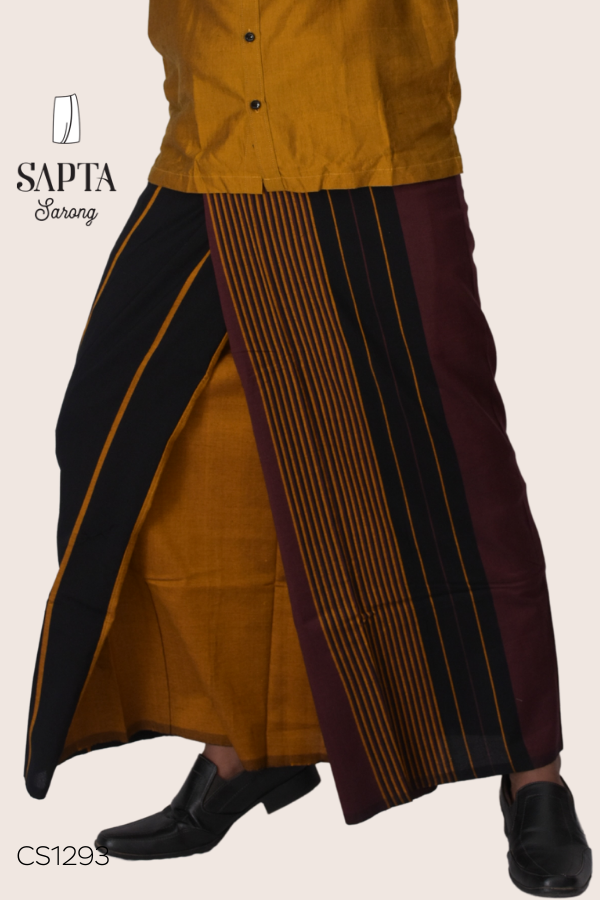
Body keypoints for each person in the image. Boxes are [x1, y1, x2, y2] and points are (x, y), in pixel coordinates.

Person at [24, 2, 592, 895]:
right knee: (132, 433)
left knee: (447, 463)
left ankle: (534, 774)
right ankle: (250, 742)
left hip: (366, 141)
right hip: (210, 149)